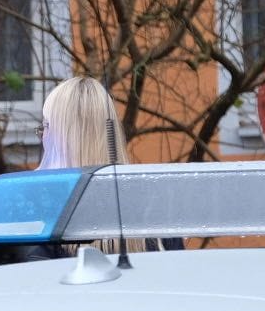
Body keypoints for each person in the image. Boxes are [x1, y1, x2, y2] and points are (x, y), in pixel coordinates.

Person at [31, 75, 176, 257]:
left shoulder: (36, 210)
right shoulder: (153, 209)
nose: (42, 136)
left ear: (59, 136)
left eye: (45, 127)